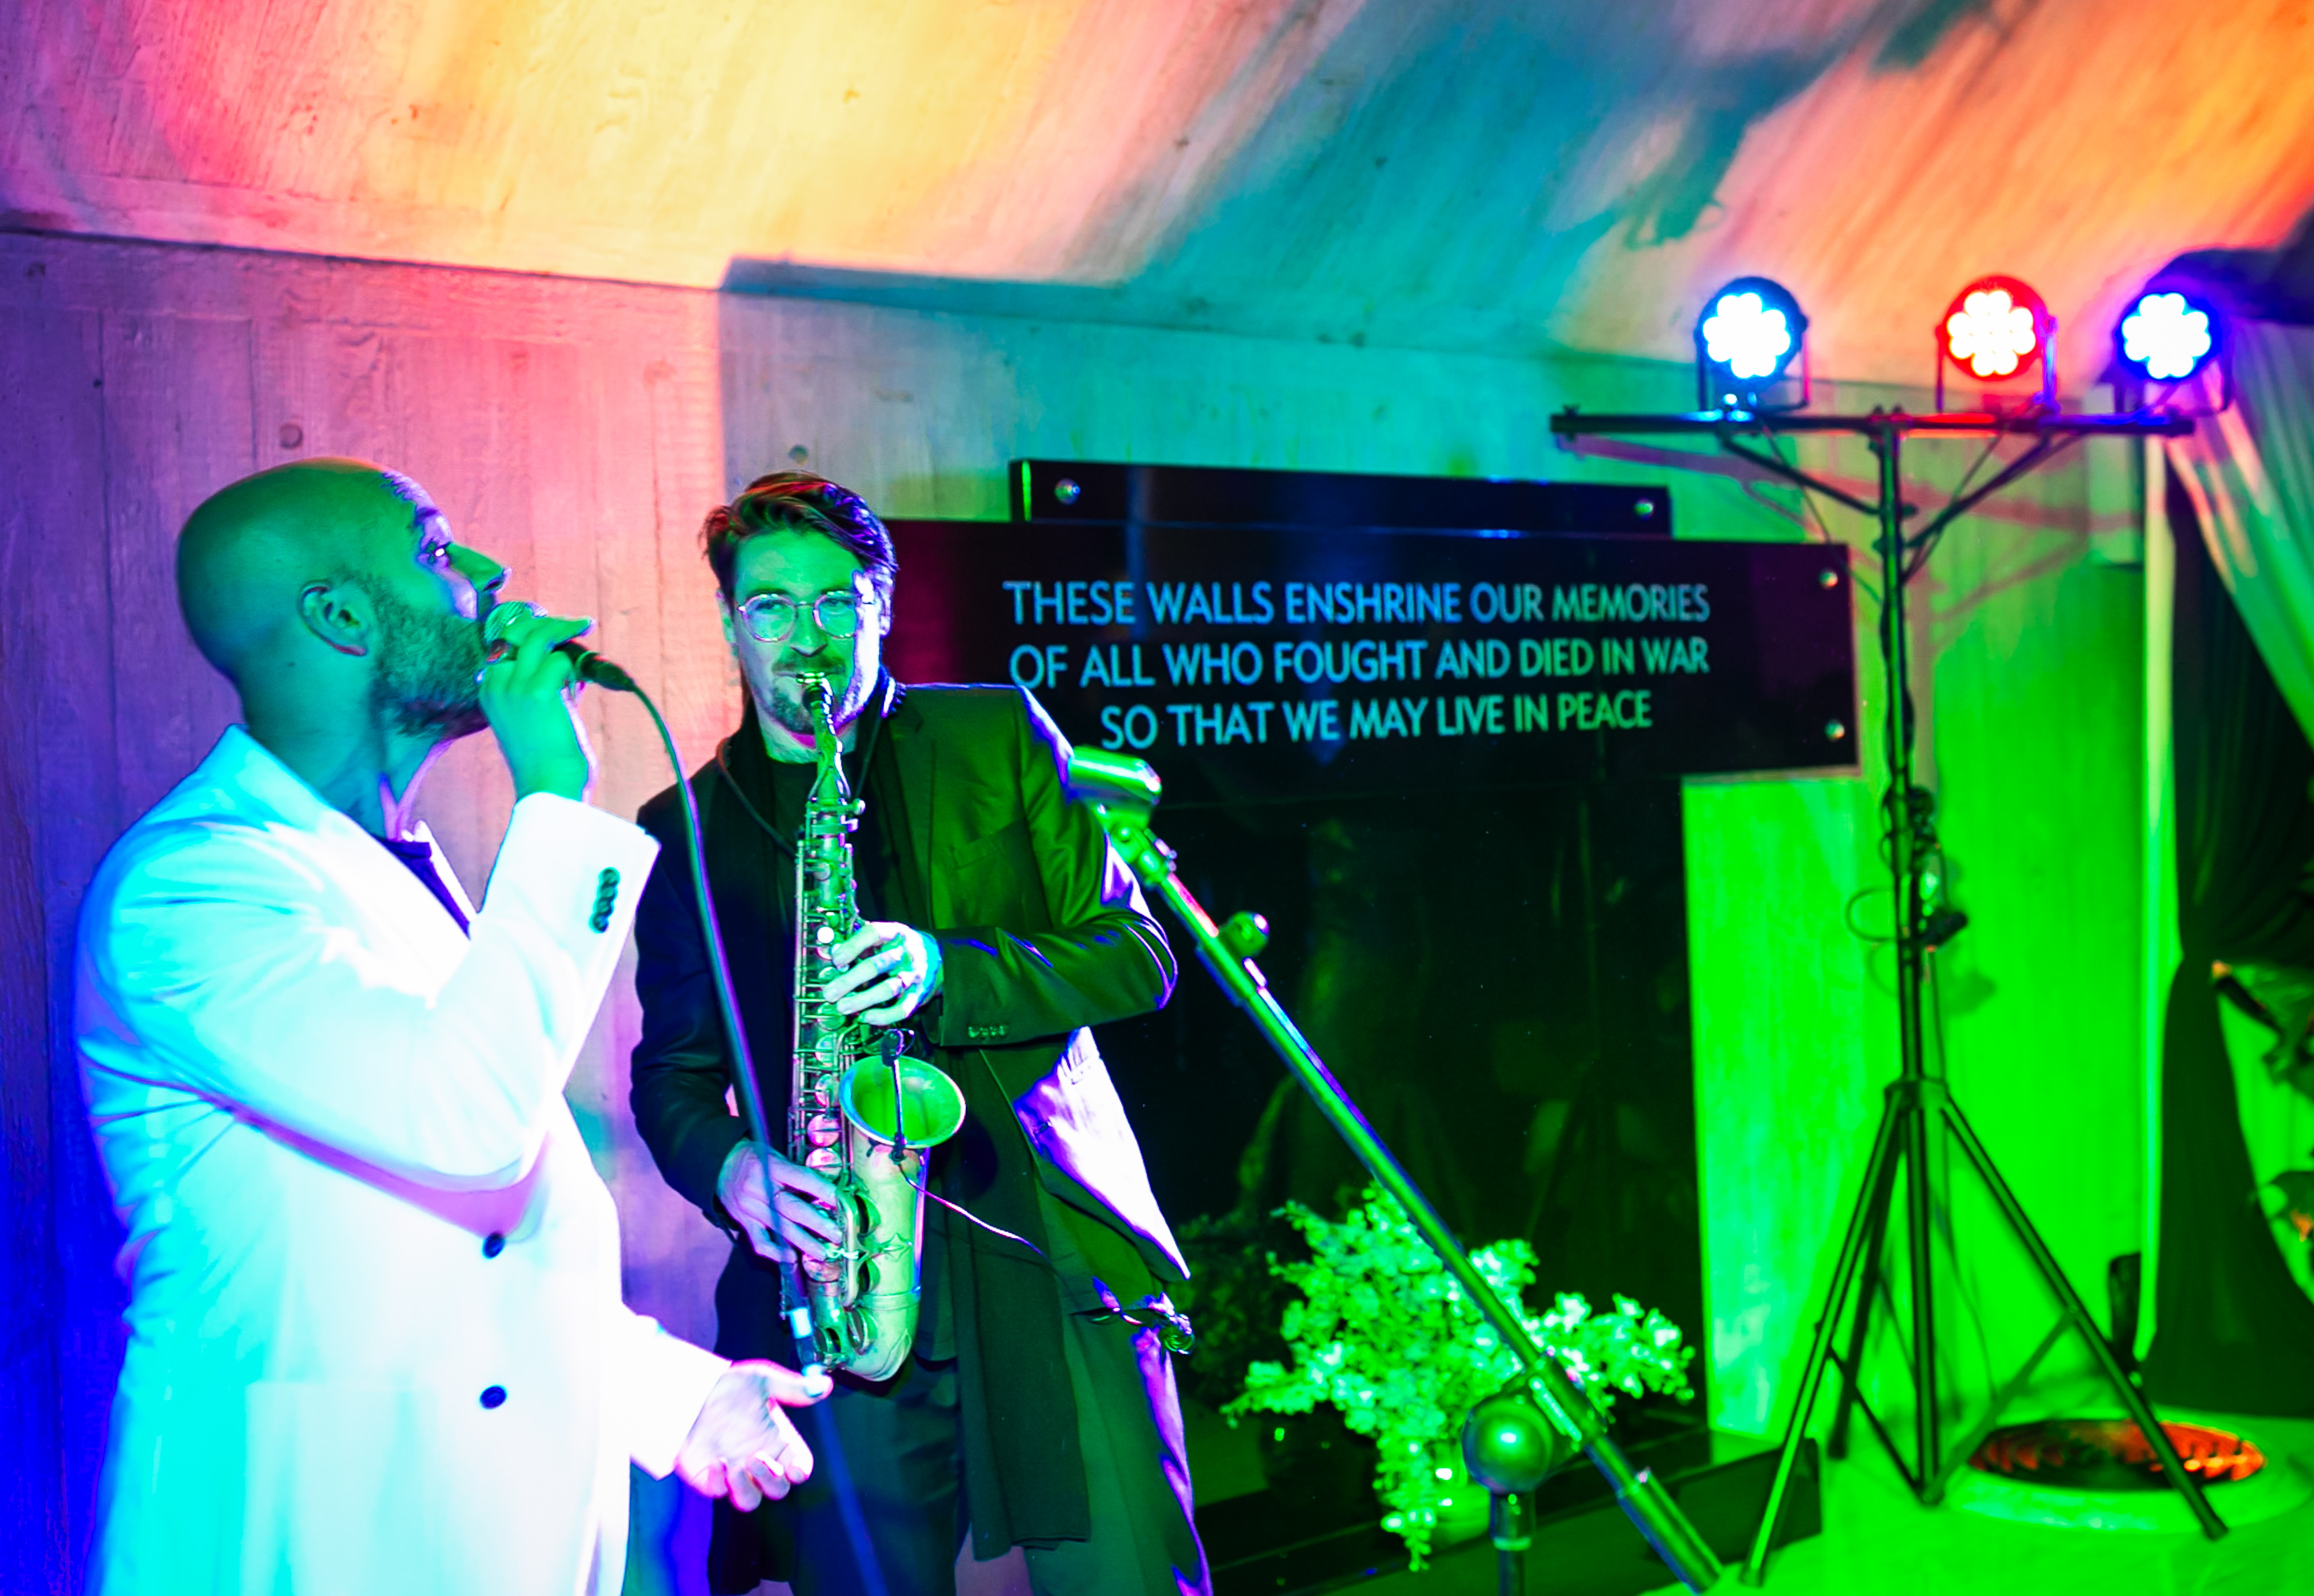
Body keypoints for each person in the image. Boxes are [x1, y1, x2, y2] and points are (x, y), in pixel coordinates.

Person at [76, 458, 828, 1596]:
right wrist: (553, 795)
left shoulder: (394, 866)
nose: (484, 570)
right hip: (307, 1535)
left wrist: (681, 1399)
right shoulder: (186, 892)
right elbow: (463, 1123)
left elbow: (465, 1248)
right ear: (340, 618)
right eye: (435, 549)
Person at [629, 474, 1209, 1596]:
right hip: (839, 1279)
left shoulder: (997, 734)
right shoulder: (685, 828)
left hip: (1045, 1246)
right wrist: (733, 1168)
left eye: (837, 603)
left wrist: (946, 967)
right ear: (730, 623)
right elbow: (672, 1079)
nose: (808, 638)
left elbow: (1138, 955)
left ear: (884, 606)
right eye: (772, 607)